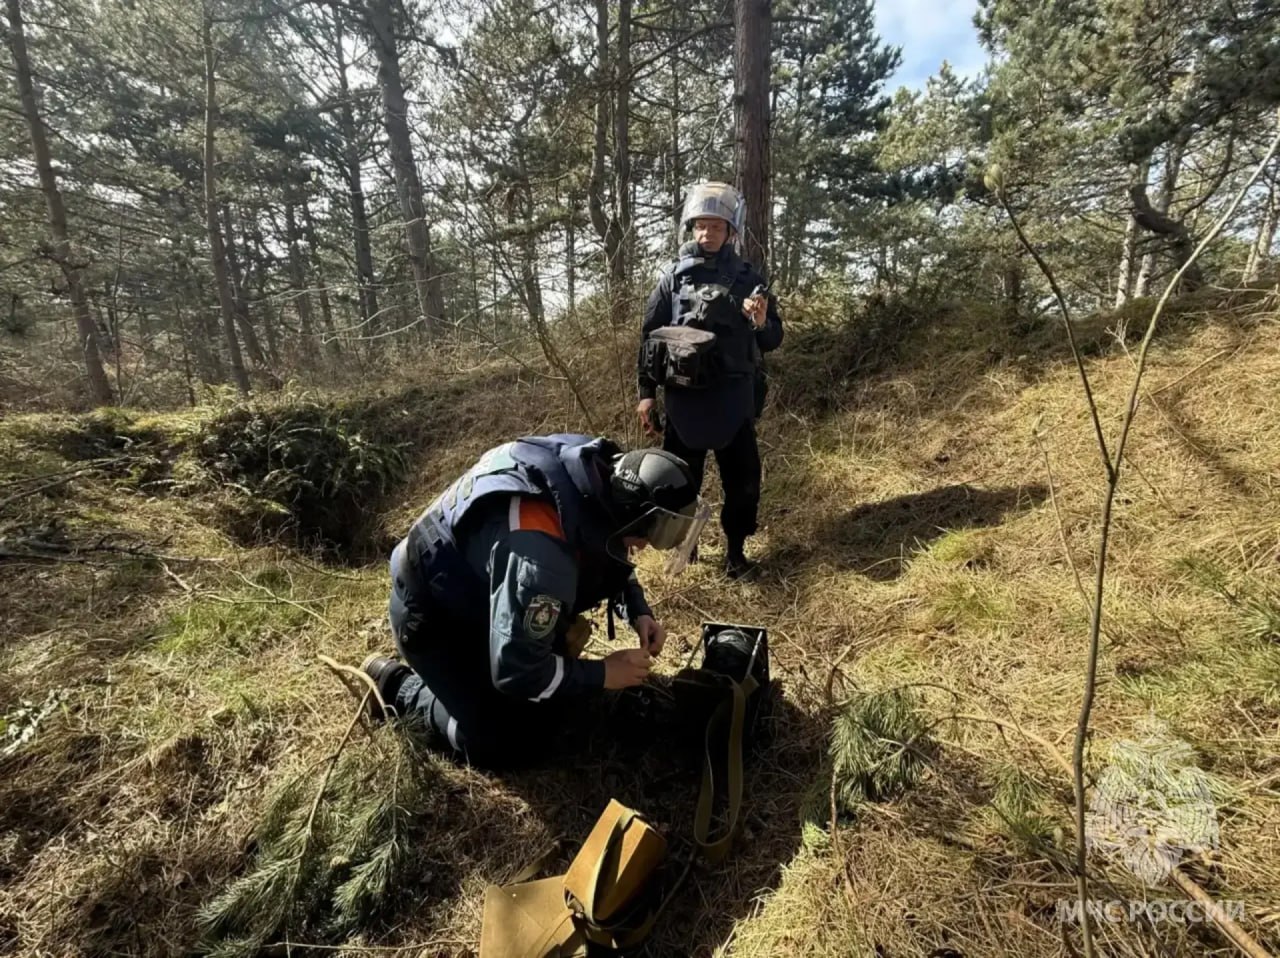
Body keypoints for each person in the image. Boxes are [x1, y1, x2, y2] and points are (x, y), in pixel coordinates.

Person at [357, 435, 707, 769]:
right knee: (507, 739)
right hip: (433, 615)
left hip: (480, 587)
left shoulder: (594, 471)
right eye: (656, 532)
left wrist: (637, 610)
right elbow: (517, 673)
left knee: (555, 702)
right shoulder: (542, 559)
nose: (648, 545)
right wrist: (604, 672)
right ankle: (398, 688)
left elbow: (607, 548)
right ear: (633, 513)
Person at [636, 181, 784, 579]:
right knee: (680, 483)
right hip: (684, 398)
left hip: (733, 399)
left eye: (716, 227)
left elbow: (773, 338)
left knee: (743, 482)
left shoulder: (748, 278)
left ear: (730, 231)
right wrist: (646, 394)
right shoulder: (673, 278)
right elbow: (649, 336)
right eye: (701, 226)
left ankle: (736, 553)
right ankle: (687, 550)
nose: (707, 234)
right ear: (692, 227)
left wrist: (759, 319)